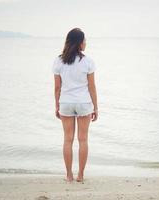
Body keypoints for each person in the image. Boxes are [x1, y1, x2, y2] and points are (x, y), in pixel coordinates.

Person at [52, 28, 98, 183]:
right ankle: (81, 175)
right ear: (79, 43)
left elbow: (57, 88)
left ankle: (69, 175)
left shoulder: (59, 61)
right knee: (83, 140)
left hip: (66, 102)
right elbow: (92, 87)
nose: (86, 43)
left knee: (67, 140)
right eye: (84, 40)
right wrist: (96, 107)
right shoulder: (88, 61)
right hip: (84, 103)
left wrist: (57, 105)